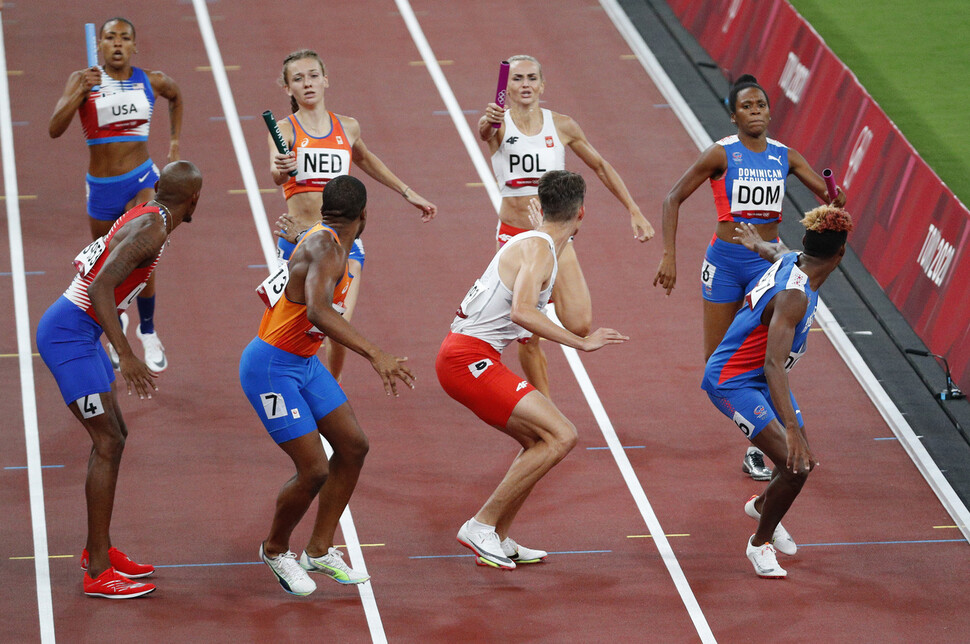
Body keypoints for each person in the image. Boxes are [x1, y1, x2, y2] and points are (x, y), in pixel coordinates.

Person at [653, 74, 846, 481]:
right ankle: (760, 425)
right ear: (733, 115)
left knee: (768, 355)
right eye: (747, 106)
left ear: (770, 111)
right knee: (719, 361)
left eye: (761, 105)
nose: (755, 112)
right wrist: (669, 255)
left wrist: (834, 197)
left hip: (766, 264)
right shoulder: (720, 155)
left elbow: (826, 195)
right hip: (724, 264)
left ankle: (759, 447)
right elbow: (672, 197)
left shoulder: (785, 156)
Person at [436, 171, 628, 569]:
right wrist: (582, 343)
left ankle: (499, 536)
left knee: (540, 441)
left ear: (542, 207)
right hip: (468, 359)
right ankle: (481, 525)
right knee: (563, 435)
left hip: (468, 356)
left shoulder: (538, 245)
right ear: (582, 214)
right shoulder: (540, 249)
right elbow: (521, 311)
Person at [240, 175, 414, 596]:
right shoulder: (325, 247)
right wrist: (375, 354)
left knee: (353, 445)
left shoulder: (326, 241)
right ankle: (275, 548)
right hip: (271, 368)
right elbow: (318, 311)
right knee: (315, 469)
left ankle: (318, 549)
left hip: (303, 362)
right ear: (365, 215)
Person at [35, 161, 203, 599]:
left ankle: (99, 551)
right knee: (107, 442)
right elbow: (99, 287)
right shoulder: (153, 230)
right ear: (194, 202)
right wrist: (125, 353)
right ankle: (97, 573)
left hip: (83, 332)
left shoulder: (148, 212)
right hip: (70, 335)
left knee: (117, 435)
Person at [479, 54, 653, 398]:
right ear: (507, 88)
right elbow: (485, 130)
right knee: (527, 336)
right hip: (516, 240)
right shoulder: (498, 125)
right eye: (517, 79)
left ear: (543, 85)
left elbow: (601, 166)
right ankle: (545, 407)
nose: (525, 84)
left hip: (557, 239)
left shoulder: (561, 126)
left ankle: (542, 298)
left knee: (579, 323)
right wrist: (488, 121)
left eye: (532, 78)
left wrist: (634, 209)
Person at [702, 207, 853, 578]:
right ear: (841, 254)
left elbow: (776, 253)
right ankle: (759, 544)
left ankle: (760, 506)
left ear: (805, 244)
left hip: (759, 379)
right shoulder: (794, 297)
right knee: (793, 465)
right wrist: (789, 426)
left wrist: (757, 244)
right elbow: (773, 365)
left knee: (802, 462)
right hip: (734, 381)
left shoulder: (792, 260)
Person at [270, 49, 436, 383]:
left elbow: (366, 159)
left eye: (314, 75)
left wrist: (407, 192)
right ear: (288, 89)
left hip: (343, 246)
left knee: (337, 321)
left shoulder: (347, 127)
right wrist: (282, 167)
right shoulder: (284, 130)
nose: (308, 83)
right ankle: (293, 380)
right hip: (299, 243)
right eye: (298, 79)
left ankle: (330, 388)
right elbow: (276, 172)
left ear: (326, 80)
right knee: (297, 327)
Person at [48, 17, 183, 373]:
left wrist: (174, 143)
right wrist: (80, 92)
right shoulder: (82, 80)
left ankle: (149, 330)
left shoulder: (149, 80)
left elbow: (176, 94)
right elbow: (54, 129)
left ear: (134, 46)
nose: (118, 43)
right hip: (100, 189)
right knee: (107, 266)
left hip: (140, 180)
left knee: (143, 251)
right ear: (101, 46)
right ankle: (117, 320)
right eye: (111, 38)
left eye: (125, 38)